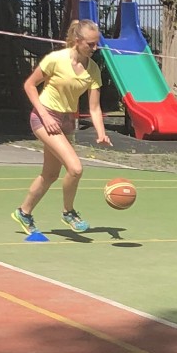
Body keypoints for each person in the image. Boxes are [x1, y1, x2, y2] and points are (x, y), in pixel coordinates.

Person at [13, 18, 111, 234]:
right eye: (91, 44)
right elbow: (29, 85)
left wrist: (101, 133)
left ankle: (23, 212)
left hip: (66, 122)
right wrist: (44, 115)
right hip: (44, 117)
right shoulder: (56, 59)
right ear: (77, 41)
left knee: (50, 175)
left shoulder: (93, 69)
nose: (95, 48)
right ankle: (69, 212)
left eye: (97, 44)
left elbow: (94, 108)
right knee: (75, 168)